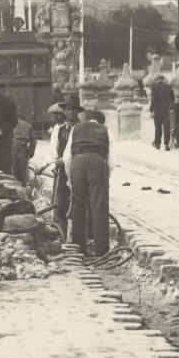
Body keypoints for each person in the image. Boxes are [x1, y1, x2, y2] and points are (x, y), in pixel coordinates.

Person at [64, 108, 110, 256]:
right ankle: (101, 250)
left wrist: (70, 179)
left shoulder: (75, 129)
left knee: (77, 205)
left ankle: (79, 248)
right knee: (99, 206)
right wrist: (105, 178)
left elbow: (67, 157)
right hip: (98, 162)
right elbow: (112, 159)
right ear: (99, 121)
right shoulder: (105, 130)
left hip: (77, 162)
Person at [41, 102, 72, 235]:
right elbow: (54, 149)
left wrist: (62, 160)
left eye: (57, 115)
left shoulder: (72, 128)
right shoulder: (58, 129)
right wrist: (54, 163)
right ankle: (60, 228)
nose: (55, 118)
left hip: (70, 165)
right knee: (59, 198)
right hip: (61, 168)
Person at [149, 74, 176, 150]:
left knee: (158, 128)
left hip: (157, 110)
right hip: (166, 110)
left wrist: (151, 109)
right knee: (166, 127)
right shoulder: (168, 86)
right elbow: (172, 98)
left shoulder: (154, 87)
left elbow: (153, 100)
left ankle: (157, 143)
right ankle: (166, 144)